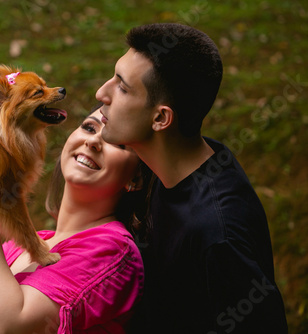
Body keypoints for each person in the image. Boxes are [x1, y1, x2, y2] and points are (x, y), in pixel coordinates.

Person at [95, 23, 288, 333]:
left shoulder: (217, 235)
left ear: (160, 118)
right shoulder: (173, 159)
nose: (101, 93)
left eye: (122, 87)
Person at [0, 108, 152, 333]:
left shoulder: (112, 248)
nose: (93, 142)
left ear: (136, 178)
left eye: (116, 142)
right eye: (89, 128)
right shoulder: (24, 244)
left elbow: (5, 327)